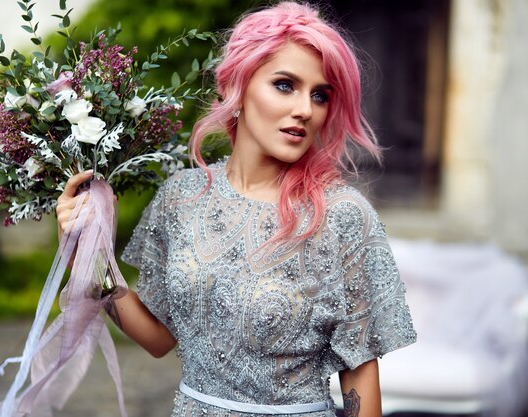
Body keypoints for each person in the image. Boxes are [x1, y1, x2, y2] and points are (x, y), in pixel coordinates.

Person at [56, 2, 417, 416]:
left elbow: (359, 373)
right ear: (238, 88)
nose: (305, 109)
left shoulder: (341, 216)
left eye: (320, 95)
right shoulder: (181, 197)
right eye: (285, 85)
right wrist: (88, 251)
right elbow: (157, 340)